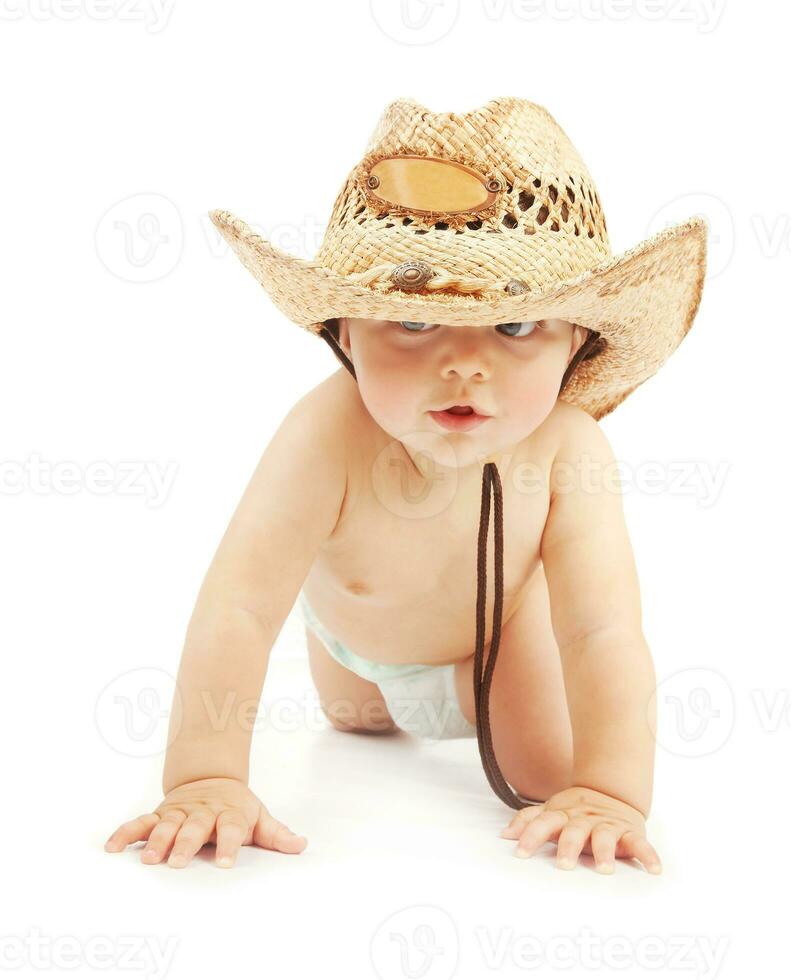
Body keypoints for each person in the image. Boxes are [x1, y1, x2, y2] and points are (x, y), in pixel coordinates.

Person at [104, 96, 707, 874]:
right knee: (356, 722)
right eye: (414, 324)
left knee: (549, 779)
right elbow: (242, 604)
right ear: (342, 334)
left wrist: (612, 791)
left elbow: (600, 631)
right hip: (349, 642)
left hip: (493, 638)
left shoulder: (569, 448)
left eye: (515, 327)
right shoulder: (326, 435)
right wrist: (206, 777)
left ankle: (482, 699)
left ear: (576, 345)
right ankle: (369, 685)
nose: (464, 364)